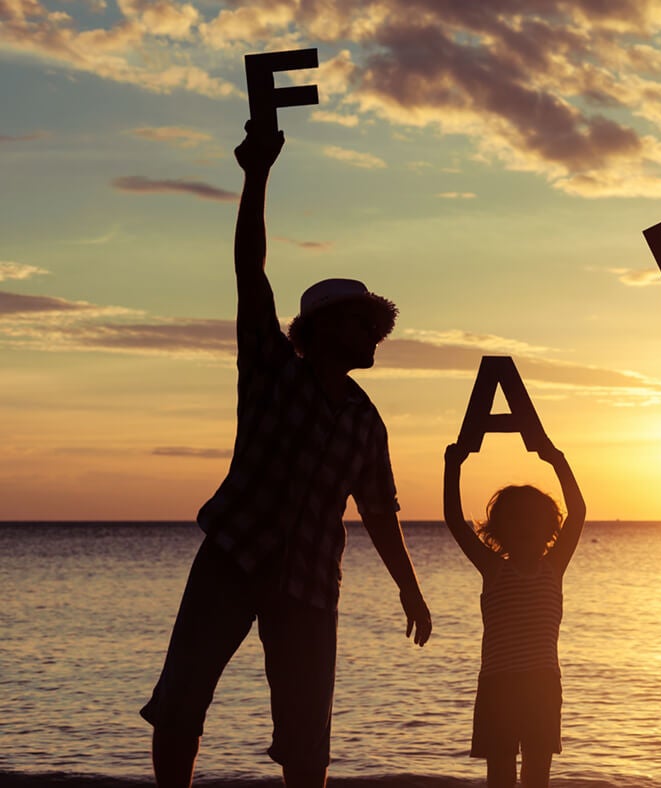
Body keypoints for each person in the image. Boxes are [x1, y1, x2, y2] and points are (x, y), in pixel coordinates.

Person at [140, 125, 432, 788]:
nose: (373, 338)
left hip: (309, 583)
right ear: (322, 329)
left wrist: (410, 590)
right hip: (233, 556)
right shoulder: (272, 370)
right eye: (361, 324)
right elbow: (250, 271)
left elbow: (379, 512)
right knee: (182, 703)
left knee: (307, 738)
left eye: (375, 327)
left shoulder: (365, 419)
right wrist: (256, 175)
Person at [444, 438, 586, 788]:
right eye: (516, 520)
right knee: (501, 777)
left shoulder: (554, 566)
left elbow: (579, 512)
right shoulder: (493, 568)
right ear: (500, 531)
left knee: (537, 775)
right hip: (498, 686)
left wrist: (558, 460)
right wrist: (453, 466)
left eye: (533, 520)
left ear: (548, 530)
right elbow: (454, 521)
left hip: (542, 685)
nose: (524, 527)